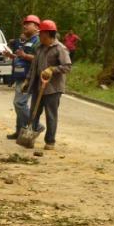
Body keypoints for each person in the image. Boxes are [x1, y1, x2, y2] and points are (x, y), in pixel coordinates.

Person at [28, 19, 72, 151]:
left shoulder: (60, 49)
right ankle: (30, 137)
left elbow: (67, 67)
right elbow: (34, 66)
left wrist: (52, 69)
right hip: (38, 86)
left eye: (41, 33)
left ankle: (50, 141)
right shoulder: (39, 48)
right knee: (33, 114)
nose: (39, 36)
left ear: (47, 34)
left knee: (51, 115)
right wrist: (27, 80)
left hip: (53, 89)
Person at [5, 15, 42, 140]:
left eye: (28, 24)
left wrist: (25, 55)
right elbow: (21, 56)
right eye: (24, 24)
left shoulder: (37, 41)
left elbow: (39, 59)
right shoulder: (27, 40)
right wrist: (11, 56)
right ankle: (19, 131)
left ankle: (36, 126)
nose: (25, 26)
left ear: (36, 27)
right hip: (20, 76)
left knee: (19, 103)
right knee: (18, 105)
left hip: (28, 77)